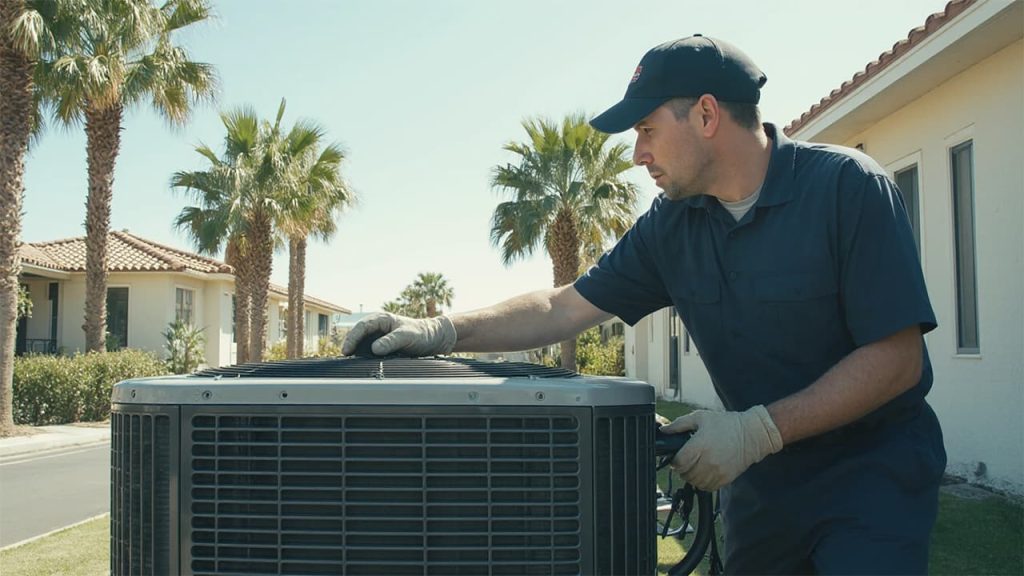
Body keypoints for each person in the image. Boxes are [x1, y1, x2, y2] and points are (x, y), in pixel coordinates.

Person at [342, 34, 945, 575]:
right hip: (760, 484)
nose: (637, 154)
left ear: (706, 114)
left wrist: (760, 429)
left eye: (647, 131)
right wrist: (440, 329)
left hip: (872, 470)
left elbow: (897, 360)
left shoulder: (848, 188)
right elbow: (562, 307)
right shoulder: (672, 226)